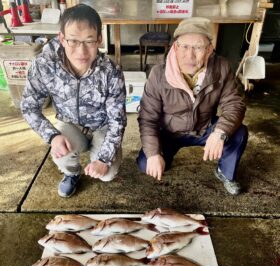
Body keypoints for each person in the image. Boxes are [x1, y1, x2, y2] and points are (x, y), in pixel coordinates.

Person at [21, 4, 126, 198]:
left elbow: (117, 121)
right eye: (73, 41)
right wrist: (52, 136)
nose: (81, 51)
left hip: (101, 127)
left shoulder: (111, 71)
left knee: (108, 173)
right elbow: (29, 107)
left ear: (99, 40)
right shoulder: (44, 65)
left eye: (89, 41)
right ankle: (72, 173)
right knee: (61, 153)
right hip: (70, 124)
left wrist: (104, 160)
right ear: (62, 38)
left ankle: (101, 158)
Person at [137, 17, 248, 195]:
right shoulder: (158, 74)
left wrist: (219, 132)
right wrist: (153, 154)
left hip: (204, 128)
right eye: (185, 47)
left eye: (198, 47)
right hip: (169, 132)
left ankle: (224, 172)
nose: (190, 55)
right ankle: (164, 156)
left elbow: (234, 103)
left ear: (210, 49)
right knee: (146, 164)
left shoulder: (221, 67)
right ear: (175, 47)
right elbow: (147, 117)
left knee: (239, 133)